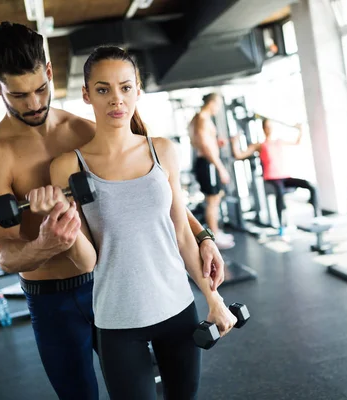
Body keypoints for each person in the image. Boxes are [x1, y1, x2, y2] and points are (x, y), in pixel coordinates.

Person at [0, 22, 226, 400]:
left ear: (51, 73)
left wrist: (202, 235)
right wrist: (44, 243)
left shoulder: (85, 130)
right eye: (19, 95)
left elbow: (154, 187)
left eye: (41, 89)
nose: (35, 103)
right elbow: (3, 252)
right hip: (52, 296)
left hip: (113, 283)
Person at [40, 45, 237, 399]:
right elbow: (87, 261)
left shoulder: (161, 149)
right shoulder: (67, 167)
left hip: (177, 308)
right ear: (87, 95)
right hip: (117, 320)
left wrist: (214, 299)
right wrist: (59, 217)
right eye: (103, 89)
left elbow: (181, 231)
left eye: (126, 87)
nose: (117, 99)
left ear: (138, 91)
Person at [231, 118, 320, 236]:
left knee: (311, 186)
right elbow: (239, 155)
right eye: (267, 126)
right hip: (271, 178)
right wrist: (234, 142)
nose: (269, 129)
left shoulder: (279, 141)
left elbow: (297, 142)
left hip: (285, 177)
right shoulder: (260, 145)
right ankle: (281, 225)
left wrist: (300, 129)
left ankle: (317, 218)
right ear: (263, 128)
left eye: (271, 126)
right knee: (280, 192)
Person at [188, 93, 235, 249]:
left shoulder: (197, 118)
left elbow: (203, 142)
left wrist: (216, 143)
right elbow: (205, 146)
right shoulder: (202, 118)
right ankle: (214, 236)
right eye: (218, 105)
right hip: (208, 163)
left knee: (215, 198)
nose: (218, 108)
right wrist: (220, 168)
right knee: (212, 201)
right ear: (213, 103)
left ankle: (216, 232)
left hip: (206, 161)